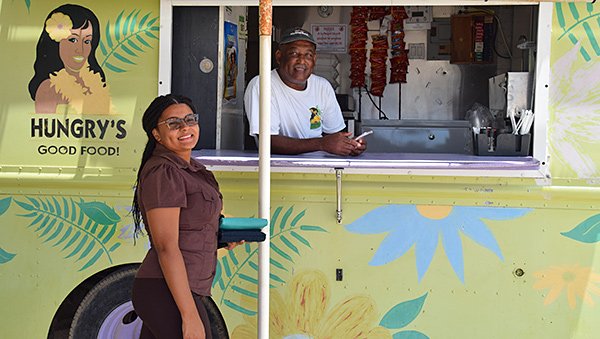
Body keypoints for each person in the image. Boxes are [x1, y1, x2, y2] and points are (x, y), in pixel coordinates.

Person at [131, 94, 240, 338]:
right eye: (173, 123)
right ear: (156, 134)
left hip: (178, 289)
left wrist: (222, 236)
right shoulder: (163, 172)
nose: (185, 127)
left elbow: (188, 229)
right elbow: (166, 247)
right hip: (164, 290)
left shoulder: (192, 169)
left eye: (190, 119)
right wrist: (189, 315)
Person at [244, 27, 366, 156]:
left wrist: (351, 145)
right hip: (277, 170)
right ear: (279, 56)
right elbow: (268, 142)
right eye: (294, 54)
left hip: (318, 168)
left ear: (314, 59)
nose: (302, 61)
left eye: (308, 55)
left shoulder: (322, 86)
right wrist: (321, 144)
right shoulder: (262, 85)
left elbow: (335, 135)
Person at [28, 4, 112, 114]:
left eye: (87, 41)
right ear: (56, 42)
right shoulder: (48, 89)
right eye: (73, 40)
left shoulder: (95, 82)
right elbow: (45, 128)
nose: (80, 49)